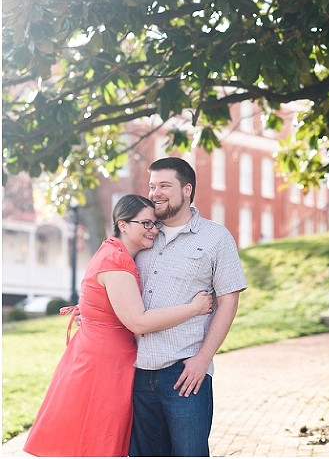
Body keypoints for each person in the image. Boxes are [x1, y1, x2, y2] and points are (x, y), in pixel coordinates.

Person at [23, 195, 213, 457]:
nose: (154, 230)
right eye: (145, 224)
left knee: (90, 442)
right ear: (123, 225)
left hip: (99, 356)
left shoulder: (114, 253)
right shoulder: (117, 260)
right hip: (103, 365)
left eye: (155, 224)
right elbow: (138, 322)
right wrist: (194, 308)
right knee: (97, 443)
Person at [129, 157, 247, 457]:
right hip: (137, 373)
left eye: (165, 185)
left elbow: (228, 300)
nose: (155, 193)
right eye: (152, 186)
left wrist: (203, 360)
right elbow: (115, 278)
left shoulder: (216, 237)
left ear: (187, 189)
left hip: (185, 373)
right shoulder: (141, 234)